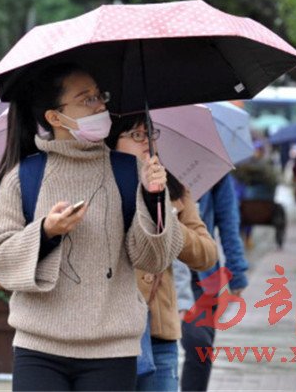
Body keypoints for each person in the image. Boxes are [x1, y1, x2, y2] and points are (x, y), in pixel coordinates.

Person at [0, 63, 185, 391]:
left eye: (100, 96)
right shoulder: (24, 177)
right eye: (86, 99)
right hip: (39, 347)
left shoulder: (130, 171)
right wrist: (46, 232)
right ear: (55, 117)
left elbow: (154, 259)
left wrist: (153, 198)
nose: (100, 105)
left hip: (113, 349)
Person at [106, 115, 218, 391]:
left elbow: (206, 254)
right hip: (111, 333)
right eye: (136, 135)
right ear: (112, 141)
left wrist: (163, 215)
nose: (147, 143)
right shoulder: (102, 188)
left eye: (151, 133)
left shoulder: (174, 187)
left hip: (158, 332)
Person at [180, 173, 249, 391]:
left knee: (199, 344)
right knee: (154, 354)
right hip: (154, 274)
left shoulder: (212, 171)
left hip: (200, 274)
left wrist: (237, 271)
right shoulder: (146, 159)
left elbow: (228, 223)